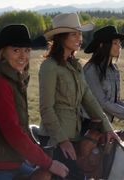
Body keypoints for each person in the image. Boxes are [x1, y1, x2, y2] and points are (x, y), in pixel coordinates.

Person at [0, 24, 69, 180]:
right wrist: (49, 163)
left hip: (13, 162)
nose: (23, 56)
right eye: (16, 50)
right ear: (3, 52)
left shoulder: (13, 79)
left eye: (27, 50)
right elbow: (13, 132)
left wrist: (39, 154)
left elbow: (21, 128)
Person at [38, 13, 121, 179]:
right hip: (55, 139)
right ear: (61, 38)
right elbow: (46, 108)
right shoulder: (50, 66)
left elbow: (89, 98)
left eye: (80, 33)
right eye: (74, 34)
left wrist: (109, 128)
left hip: (75, 135)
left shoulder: (75, 66)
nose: (79, 38)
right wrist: (62, 141)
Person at [82, 25, 124, 128]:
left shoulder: (114, 70)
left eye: (119, 43)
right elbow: (102, 102)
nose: (119, 46)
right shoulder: (91, 70)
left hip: (106, 125)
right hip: (89, 126)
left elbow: (115, 101)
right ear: (102, 45)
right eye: (115, 43)